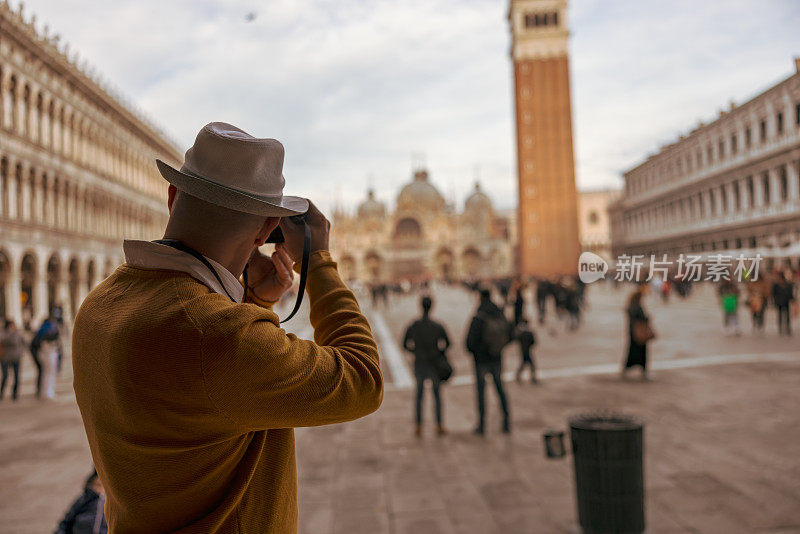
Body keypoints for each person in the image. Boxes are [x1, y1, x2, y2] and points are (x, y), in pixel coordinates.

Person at [71, 123, 383, 532]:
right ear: (266, 229)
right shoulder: (213, 335)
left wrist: (252, 301)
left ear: (172, 197)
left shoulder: (101, 304)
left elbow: (199, 403)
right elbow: (362, 377)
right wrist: (319, 262)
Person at [402, 295, 451, 436]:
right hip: (434, 363)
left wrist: (415, 351)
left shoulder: (413, 325)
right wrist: (439, 352)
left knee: (419, 395)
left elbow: (404, 343)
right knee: (437, 395)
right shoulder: (437, 325)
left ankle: (418, 425)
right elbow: (448, 343)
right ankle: (439, 424)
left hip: (420, 363)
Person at [466, 288, 512, 435]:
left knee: (481, 392)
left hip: (481, 361)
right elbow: (510, 334)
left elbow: (469, 343)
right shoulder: (499, 314)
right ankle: (506, 421)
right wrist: (498, 348)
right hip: (496, 358)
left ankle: (482, 424)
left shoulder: (479, 316)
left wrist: (479, 351)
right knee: (500, 389)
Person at [55, 469, 107, 534]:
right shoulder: (84, 499)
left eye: (103, 486)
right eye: (97, 485)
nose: (100, 490)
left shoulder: (111, 504)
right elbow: (65, 523)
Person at [621, 286, 652, 380]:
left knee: (631, 350)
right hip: (639, 331)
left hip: (632, 331)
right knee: (641, 351)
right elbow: (641, 317)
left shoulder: (630, 306)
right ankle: (643, 368)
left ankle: (628, 366)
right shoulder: (637, 307)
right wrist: (647, 318)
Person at [34, 314, 61, 400]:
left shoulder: (42, 329)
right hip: (48, 353)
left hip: (46, 353)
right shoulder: (49, 329)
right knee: (48, 373)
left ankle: (45, 391)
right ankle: (47, 392)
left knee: (46, 373)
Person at [1, 320, 27, 401]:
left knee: (16, 376)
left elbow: (23, 343)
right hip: (5, 358)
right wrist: (10, 333)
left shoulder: (18, 333)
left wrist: (21, 352)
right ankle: (1, 392)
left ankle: (15, 393)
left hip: (16, 357)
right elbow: (4, 340)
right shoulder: (3, 332)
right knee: (5, 376)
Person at [514, 317, 537, 384]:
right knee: (530, 365)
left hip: (523, 351)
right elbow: (533, 342)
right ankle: (533, 378)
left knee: (524, 365)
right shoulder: (529, 333)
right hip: (527, 351)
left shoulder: (520, 333)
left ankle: (518, 376)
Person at [772, 272, 796, 336]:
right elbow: (774, 294)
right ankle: (780, 328)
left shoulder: (788, 285)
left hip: (786, 302)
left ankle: (788, 328)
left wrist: (793, 300)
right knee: (780, 315)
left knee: (787, 316)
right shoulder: (776, 285)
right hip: (779, 302)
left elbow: (790, 293)